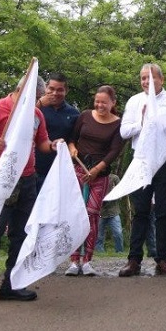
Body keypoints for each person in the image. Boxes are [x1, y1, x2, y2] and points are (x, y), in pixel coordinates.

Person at [0, 75, 55, 305]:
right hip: (0, 179)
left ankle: (11, 285)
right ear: (22, 90)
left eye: (38, 98)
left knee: (21, 233)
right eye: (35, 96)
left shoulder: (36, 115)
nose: (36, 101)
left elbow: (42, 143)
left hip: (27, 179)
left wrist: (54, 145)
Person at [118, 63, 166, 277]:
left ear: (161, 80)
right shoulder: (135, 101)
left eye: (151, 77)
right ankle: (134, 260)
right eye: (143, 78)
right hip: (142, 158)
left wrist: (159, 122)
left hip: (165, 157)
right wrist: (142, 121)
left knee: (163, 210)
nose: (146, 81)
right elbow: (124, 132)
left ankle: (162, 259)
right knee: (141, 210)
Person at [65, 85, 123, 277]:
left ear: (113, 103)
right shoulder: (84, 116)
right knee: (75, 213)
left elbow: (114, 151)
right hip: (78, 170)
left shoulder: (118, 124)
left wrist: (96, 170)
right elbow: (71, 139)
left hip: (100, 174)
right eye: (97, 101)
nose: (99, 105)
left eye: (104, 102)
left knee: (91, 214)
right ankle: (74, 260)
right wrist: (72, 148)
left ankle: (87, 260)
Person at [35, 72, 80, 192]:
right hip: (32, 168)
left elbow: (73, 141)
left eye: (60, 90)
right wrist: (39, 104)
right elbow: (21, 121)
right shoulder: (37, 106)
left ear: (66, 91)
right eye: (51, 89)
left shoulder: (74, 114)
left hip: (57, 171)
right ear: (46, 88)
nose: (55, 93)